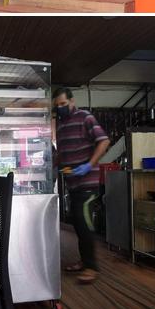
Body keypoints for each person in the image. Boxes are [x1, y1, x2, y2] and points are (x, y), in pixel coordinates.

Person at [53, 87, 110, 284]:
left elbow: (103, 141)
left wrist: (89, 165)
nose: (60, 108)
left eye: (63, 104)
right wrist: (54, 165)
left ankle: (92, 267)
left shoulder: (85, 118)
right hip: (72, 183)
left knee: (83, 221)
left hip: (88, 182)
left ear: (72, 101)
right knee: (77, 223)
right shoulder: (60, 125)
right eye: (57, 106)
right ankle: (84, 261)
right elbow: (62, 152)